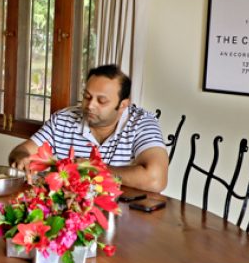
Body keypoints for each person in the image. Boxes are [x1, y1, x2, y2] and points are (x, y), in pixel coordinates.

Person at [9, 64, 168, 193]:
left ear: (123, 105)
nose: (90, 105)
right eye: (87, 96)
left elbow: (156, 180)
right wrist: (21, 158)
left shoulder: (141, 123)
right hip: (69, 213)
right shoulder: (63, 119)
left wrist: (93, 168)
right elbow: (21, 151)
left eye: (102, 101)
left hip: (124, 218)